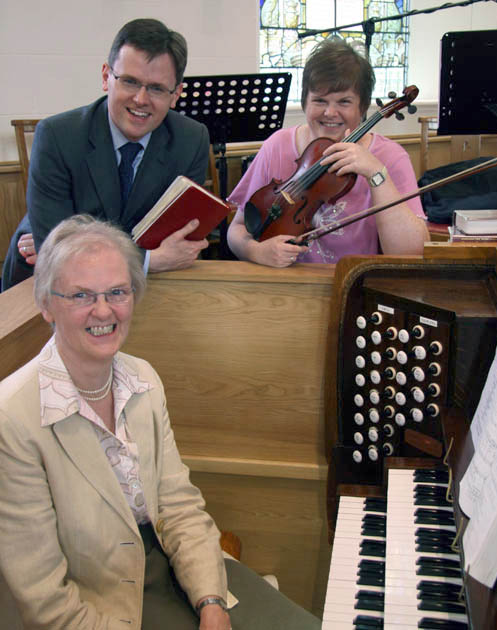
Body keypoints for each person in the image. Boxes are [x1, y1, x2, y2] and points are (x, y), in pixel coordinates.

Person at [0, 215, 321, 630]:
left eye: (117, 291)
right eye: (81, 295)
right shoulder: (12, 417)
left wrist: (211, 602)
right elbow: (46, 603)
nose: (104, 310)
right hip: (99, 600)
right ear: (46, 304)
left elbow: (178, 505)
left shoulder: (143, 379)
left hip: (176, 565)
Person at [2, 18, 210, 292]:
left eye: (157, 88)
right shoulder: (56, 136)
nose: (140, 99)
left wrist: (77, 246)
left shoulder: (191, 139)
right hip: (43, 284)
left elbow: (179, 242)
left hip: (141, 289)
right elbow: (56, 252)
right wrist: (150, 259)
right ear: (105, 77)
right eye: (130, 81)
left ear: (176, 94)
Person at [227, 39, 429, 267]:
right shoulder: (277, 145)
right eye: (320, 100)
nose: (330, 112)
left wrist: (376, 173)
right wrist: (256, 251)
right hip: (285, 284)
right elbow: (237, 229)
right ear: (305, 102)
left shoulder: (390, 156)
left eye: (344, 102)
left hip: (354, 285)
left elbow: (410, 253)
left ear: (362, 107)